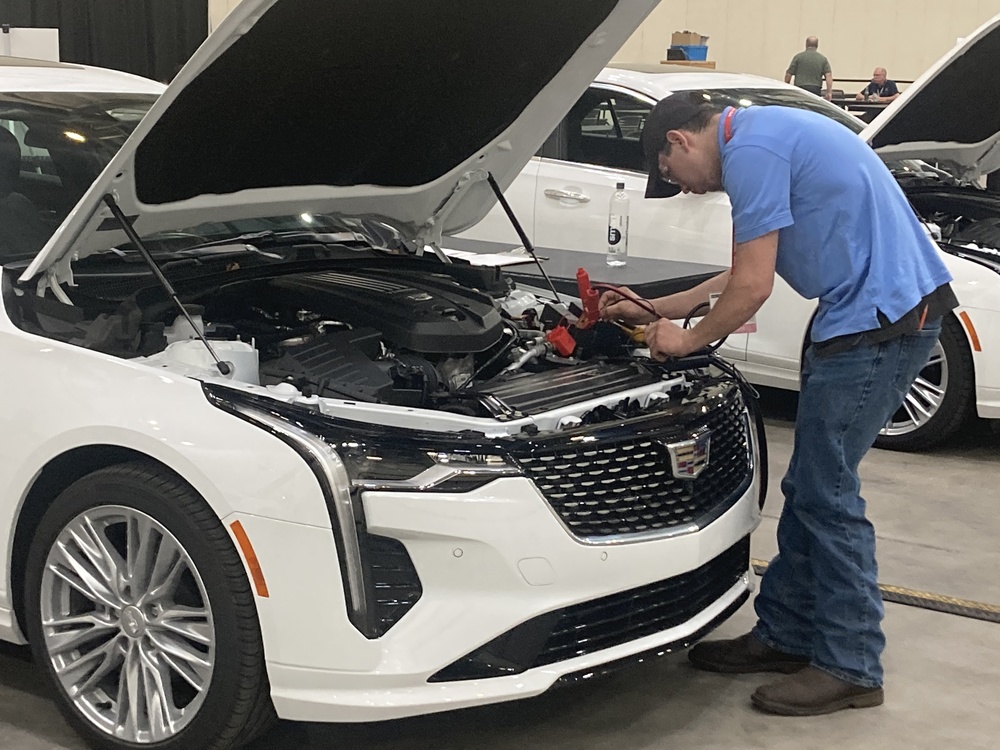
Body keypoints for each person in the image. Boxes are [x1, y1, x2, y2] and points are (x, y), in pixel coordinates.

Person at [599, 92, 957, 716]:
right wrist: (666, 308)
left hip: (880, 323)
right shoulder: (764, 134)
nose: (681, 190)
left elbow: (753, 288)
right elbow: (746, 269)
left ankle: (852, 663)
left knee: (827, 494)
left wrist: (685, 341)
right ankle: (786, 635)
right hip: (869, 315)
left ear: (678, 143)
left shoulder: (752, 152)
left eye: (669, 177)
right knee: (811, 486)